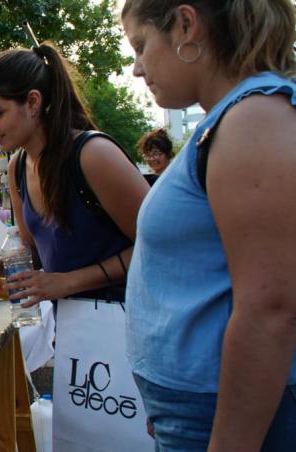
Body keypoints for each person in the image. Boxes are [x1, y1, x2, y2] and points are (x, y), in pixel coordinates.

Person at [121, 1, 296, 450]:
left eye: (141, 46)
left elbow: (271, 309)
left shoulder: (254, 119)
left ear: (185, 25)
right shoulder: (231, 120)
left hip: (217, 410)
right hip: (194, 407)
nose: (138, 69)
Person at [0, 42, 149, 305]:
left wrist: (68, 281)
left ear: (33, 102)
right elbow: (35, 253)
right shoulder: (17, 168)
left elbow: (158, 245)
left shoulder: (93, 154)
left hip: (122, 325)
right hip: (70, 332)